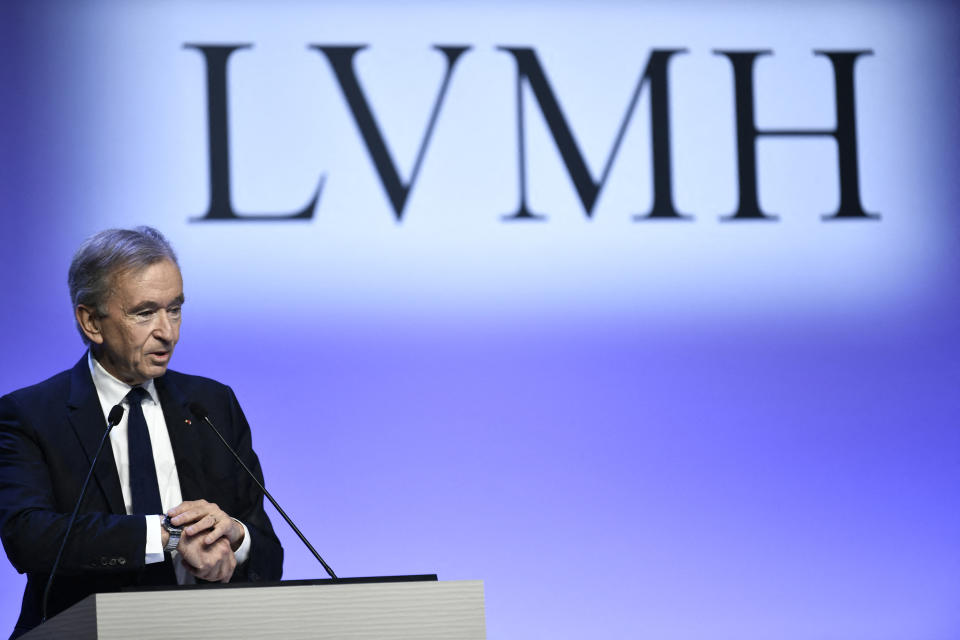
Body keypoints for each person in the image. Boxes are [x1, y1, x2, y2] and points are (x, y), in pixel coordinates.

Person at [0, 227, 283, 638]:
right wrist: (166, 537)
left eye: (175, 309)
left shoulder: (212, 404)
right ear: (92, 321)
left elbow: (268, 553)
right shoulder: (29, 415)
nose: (168, 332)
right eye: (145, 312)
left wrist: (236, 542)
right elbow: (31, 538)